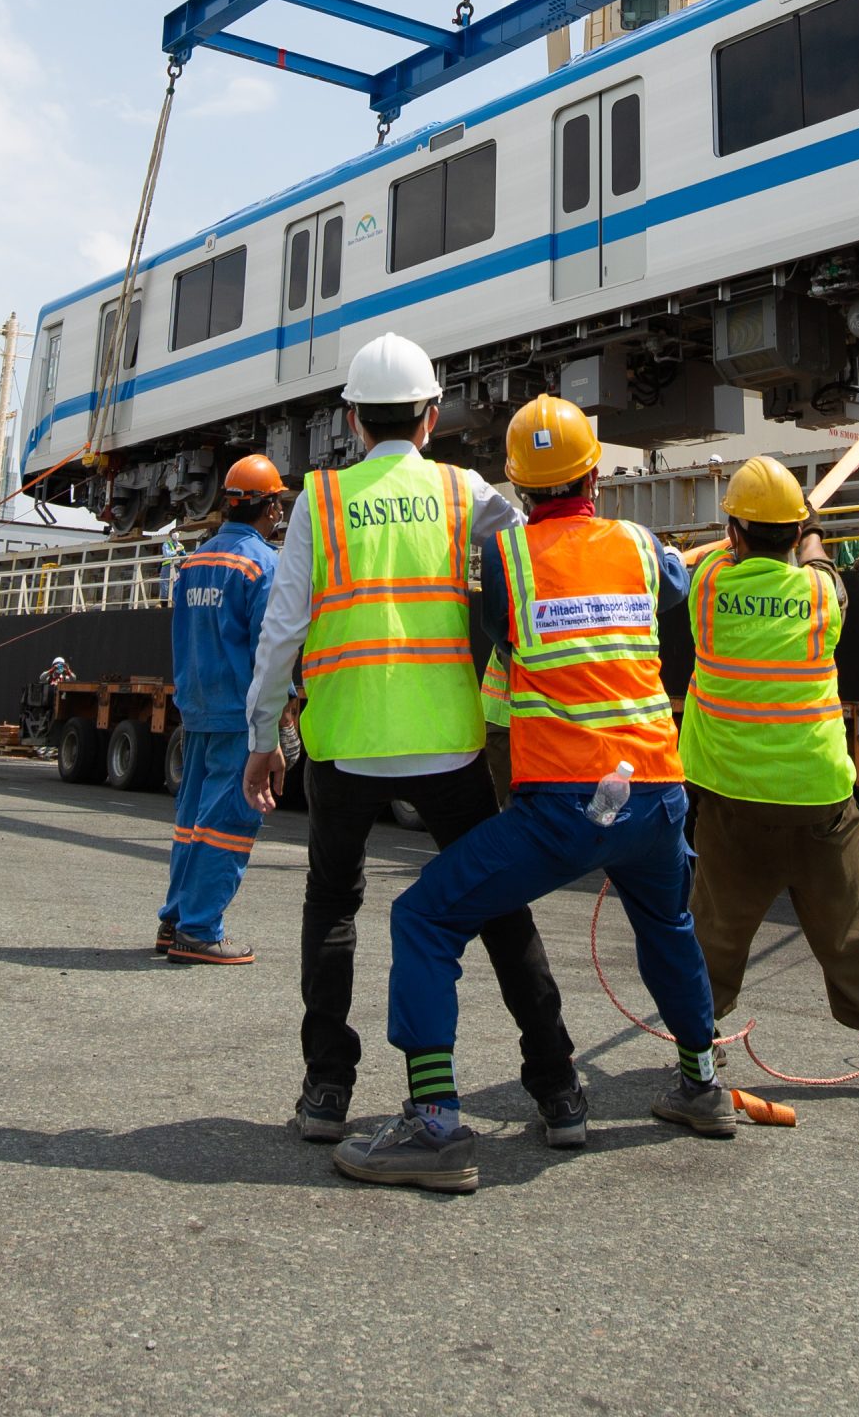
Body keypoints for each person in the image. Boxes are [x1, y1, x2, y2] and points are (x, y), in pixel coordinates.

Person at [340, 394, 729, 1192]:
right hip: (656, 794)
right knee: (668, 928)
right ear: (594, 471)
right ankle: (701, 1083)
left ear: (519, 485)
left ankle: (435, 1122)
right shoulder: (642, 546)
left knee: (424, 915)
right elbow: (677, 594)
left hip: (567, 808)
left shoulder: (510, 564)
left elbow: (511, 639)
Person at [243, 334, 580, 1150]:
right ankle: (559, 1088)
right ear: (432, 417)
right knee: (499, 908)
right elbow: (550, 535)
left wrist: (263, 736)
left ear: (352, 420)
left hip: (345, 749)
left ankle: (327, 1091)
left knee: (333, 907)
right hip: (450, 748)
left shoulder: (319, 502)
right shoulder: (467, 493)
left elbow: (282, 631)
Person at [683, 455, 859, 1096]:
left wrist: (756, 533)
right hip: (818, 797)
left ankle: (697, 1061)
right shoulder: (821, 598)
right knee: (853, 926)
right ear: (794, 534)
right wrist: (809, 531)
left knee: (715, 930)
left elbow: (727, 562)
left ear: (732, 534)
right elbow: (821, 569)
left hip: (732, 797)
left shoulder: (706, 590)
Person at [158, 454, 288, 964]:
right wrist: (279, 717)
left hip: (197, 708)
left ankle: (175, 919)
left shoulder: (193, 564)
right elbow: (269, 648)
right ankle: (200, 928)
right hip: (241, 713)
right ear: (271, 507)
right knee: (229, 821)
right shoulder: (264, 564)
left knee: (191, 820)